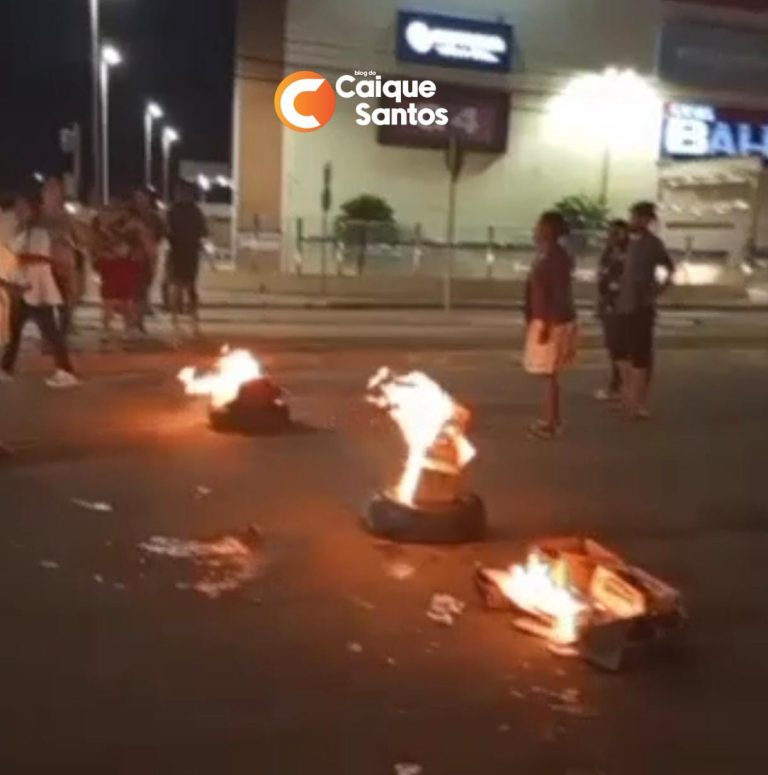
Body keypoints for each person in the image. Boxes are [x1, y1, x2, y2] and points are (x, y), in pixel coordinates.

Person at [0, 193, 79, 388]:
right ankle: (5, 367)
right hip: (26, 290)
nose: (18, 212)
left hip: (37, 290)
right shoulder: (24, 231)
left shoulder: (38, 232)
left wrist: (18, 263)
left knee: (51, 333)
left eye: (22, 208)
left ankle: (66, 371)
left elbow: (34, 257)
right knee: (16, 331)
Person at [615, 201, 675, 419]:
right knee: (621, 352)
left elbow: (669, 269)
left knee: (641, 355)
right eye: (633, 216)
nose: (634, 221)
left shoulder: (653, 244)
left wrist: (657, 291)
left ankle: (638, 402)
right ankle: (626, 395)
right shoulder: (622, 241)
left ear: (648, 220)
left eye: (639, 218)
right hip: (621, 306)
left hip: (642, 307)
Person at [523, 211, 578, 440]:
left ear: (549, 230)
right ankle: (551, 419)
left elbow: (556, 294)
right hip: (547, 318)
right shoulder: (549, 255)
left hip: (552, 321)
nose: (535, 229)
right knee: (548, 374)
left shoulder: (555, 257)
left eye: (539, 225)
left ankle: (551, 421)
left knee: (549, 374)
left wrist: (546, 325)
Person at [40, 176, 80, 338]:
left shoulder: (65, 216)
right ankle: (48, 337)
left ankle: (61, 336)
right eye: (50, 190)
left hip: (63, 264)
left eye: (57, 190)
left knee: (64, 303)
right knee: (44, 304)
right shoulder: (39, 215)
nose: (53, 194)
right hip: (44, 264)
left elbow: (74, 238)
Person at [594, 219, 629, 402]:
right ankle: (618, 384)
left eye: (617, 233)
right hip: (608, 305)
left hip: (621, 306)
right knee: (612, 347)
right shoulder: (607, 254)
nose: (613, 237)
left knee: (620, 347)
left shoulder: (628, 255)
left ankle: (621, 386)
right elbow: (602, 279)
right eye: (611, 233)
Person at [167, 182, 207, 339]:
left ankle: (190, 323)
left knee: (188, 288)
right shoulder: (177, 210)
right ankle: (177, 322)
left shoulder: (192, 211)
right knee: (179, 288)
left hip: (187, 253)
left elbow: (202, 231)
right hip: (181, 253)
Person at [130, 187, 165, 331]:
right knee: (131, 290)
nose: (140, 200)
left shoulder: (154, 217)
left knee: (143, 289)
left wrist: (151, 246)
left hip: (147, 258)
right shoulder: (130, 215)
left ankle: (139, 320)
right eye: (137, 197)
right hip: (131, 257)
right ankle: (132, 320)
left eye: (143, 197)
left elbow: (160, 234)